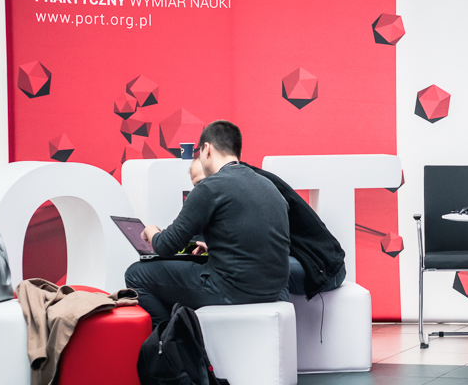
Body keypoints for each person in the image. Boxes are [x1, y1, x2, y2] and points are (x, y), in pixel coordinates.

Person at [125, 120, 291, 325]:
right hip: (275, 291)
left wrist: (151, 231)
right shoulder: (269, 186)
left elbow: (166, 246)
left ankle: (168, 337)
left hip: (232, 290)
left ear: (207, 149)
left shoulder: (209, 187)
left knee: (136, 274)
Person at [190, 154, 346, 298]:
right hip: (294, 259)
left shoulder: (251, 187)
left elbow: (256, 245)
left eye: (203, 182)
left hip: (321, 266)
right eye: (196, 186)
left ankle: (278, 317)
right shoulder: (236, 185)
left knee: (252, 270)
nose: (200, 190)